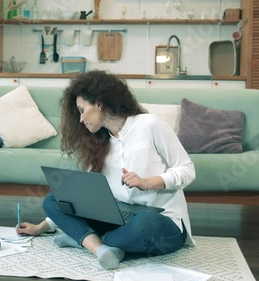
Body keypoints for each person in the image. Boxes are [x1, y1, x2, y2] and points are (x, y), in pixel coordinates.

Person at [17, 70, 196, 270]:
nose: (80, 119)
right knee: (53, 199)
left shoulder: (150, 124)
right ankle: (101, 248)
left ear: (99, 103)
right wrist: (42, 227)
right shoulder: (98, 145)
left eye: (82, 110)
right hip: (119, 219)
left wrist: (147, 182)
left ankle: (85, 240)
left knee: (145, 224)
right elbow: (84, 200)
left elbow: (187, 170)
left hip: (161, 221)